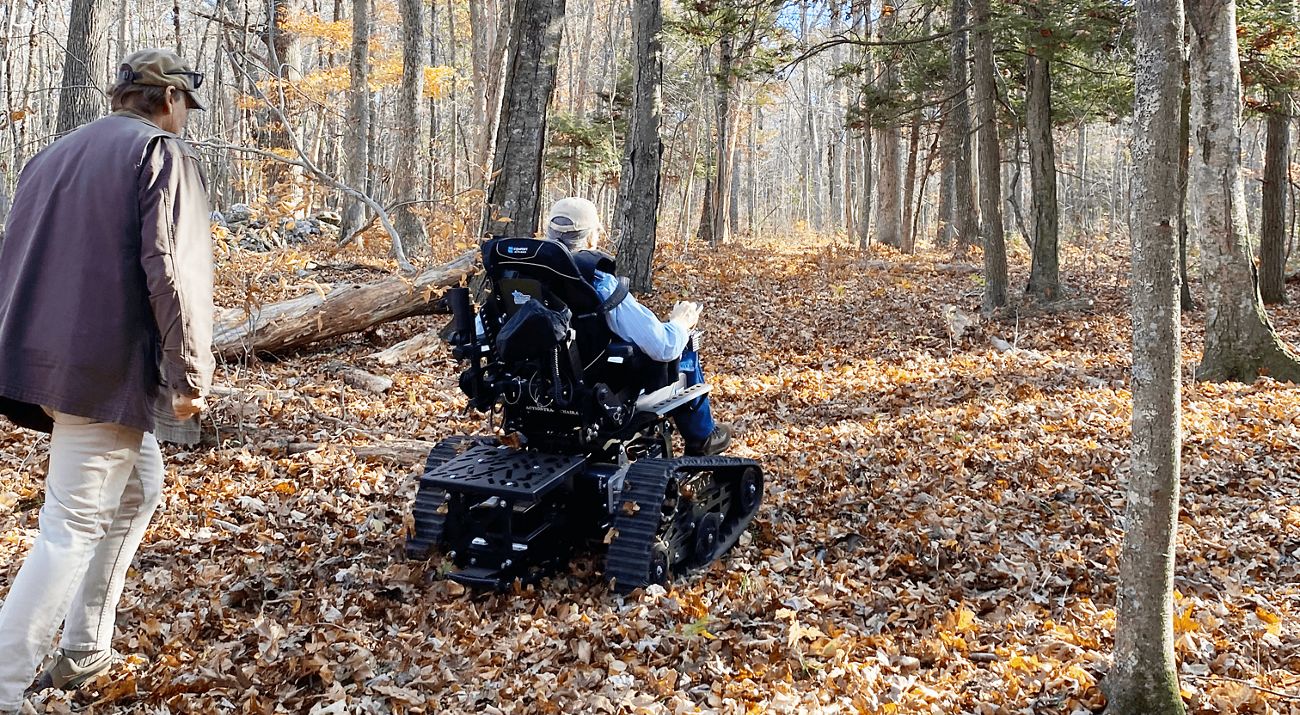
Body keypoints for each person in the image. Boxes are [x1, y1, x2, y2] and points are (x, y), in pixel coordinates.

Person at [0, 48, 214, 712]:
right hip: (99, 371)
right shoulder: (157, 155)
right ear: (169, 98)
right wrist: (189, 373)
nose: (185, 119)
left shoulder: (54, 154)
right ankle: (5, 682)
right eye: (185, 105)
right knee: (71, 524)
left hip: (44, 363)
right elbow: (173, 271)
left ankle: (84, 646)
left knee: (140, 484)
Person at [543, 197, 731, 456]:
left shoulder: (519, 277)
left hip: (537, 389)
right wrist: (681, 322)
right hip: (599, 393)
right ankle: (702, 437)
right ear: (589, 240)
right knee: (684, 346)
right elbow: (662, 347)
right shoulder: (598, 282)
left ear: (548, 233)